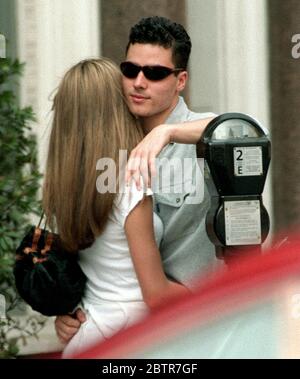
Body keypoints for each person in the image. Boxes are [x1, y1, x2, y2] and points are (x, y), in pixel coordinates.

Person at [54, 16, 219, 346]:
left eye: (155, 73)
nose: (139, 82)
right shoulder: (108, 146)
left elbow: (249, 132)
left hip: (194, 324)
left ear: (180, 80)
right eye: (130, 70)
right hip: (133, 330)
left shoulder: (201, 135)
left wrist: (167, 132)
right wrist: (70, 308)